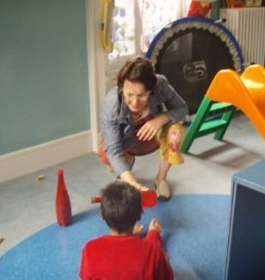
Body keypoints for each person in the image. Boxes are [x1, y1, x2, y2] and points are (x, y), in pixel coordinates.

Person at [98, 56, 188, 201]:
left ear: (151, 90)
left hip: (153, 137)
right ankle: (126, 166)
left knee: (175, 133)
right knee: (104, 152)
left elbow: (183, 108)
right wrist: (134, 184)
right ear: (121, 89)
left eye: (142, 95)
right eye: (129, 95)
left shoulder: (161, 84)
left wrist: (161, 119)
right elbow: (113, 151)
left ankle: (161, 179)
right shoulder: (110, 105)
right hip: (128, 140)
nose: (134, 102)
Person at [79, 181, 174, 280]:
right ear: (139, 216)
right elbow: (167, 277)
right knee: (164, 260)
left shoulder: (89, 249)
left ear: (102, 216)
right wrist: (153, 235)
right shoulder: (153, 251)